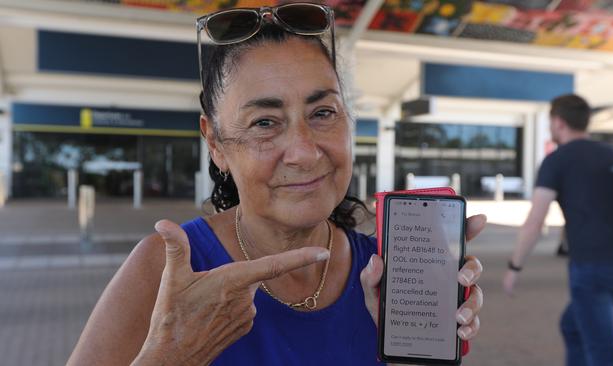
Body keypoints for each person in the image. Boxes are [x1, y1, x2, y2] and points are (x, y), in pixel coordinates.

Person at [67, 3, 485, 365]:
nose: (303, 151)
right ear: (215, 142)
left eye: (322, 113)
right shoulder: (169, 268)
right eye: (264, 123)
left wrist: (413, 356)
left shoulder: (383, 273)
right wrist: (174, 356)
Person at [503, 94, 613, 366]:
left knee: (603, 351)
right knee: (573, 326)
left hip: (593, 270)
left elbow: (535, 221)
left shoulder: (557, 160)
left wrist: (514, 267)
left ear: (558, 122)